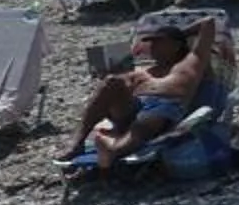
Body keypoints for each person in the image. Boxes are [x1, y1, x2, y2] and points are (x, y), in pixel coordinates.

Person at [57, 21, 207, 168]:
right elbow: (117, 89)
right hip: (134, 107)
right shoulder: (142, 70)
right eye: (151, 43)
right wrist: (110, 77)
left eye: (160, 42)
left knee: (148, 118)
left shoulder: (190, 63)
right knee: (112, 81)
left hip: (164, 107)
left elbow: (208, 23)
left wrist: (180, 34)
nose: (153, 46)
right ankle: (77, 143)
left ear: (176, 45)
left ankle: (113, 151)